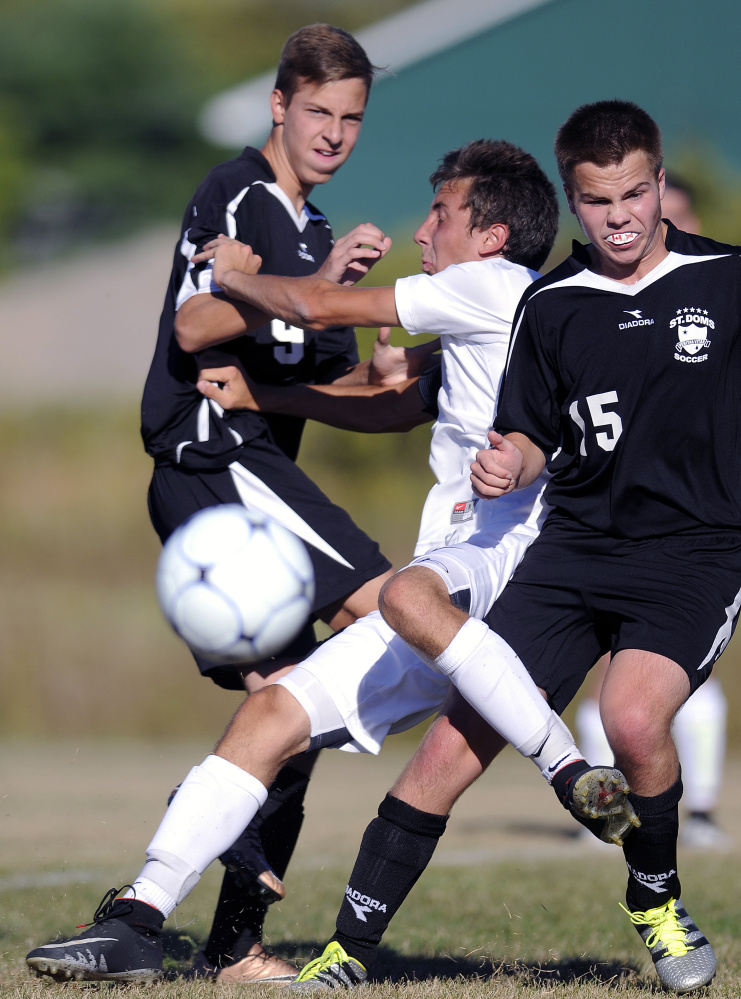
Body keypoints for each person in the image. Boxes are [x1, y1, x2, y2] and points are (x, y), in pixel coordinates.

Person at [25, 138, 634, 985]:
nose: (423, 232)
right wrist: (265, 395)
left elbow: (315, 306)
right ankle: (137, 918)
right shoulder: (502, 311)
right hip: (462, 573)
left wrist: (233, 274)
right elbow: (390, 405)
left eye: (442, 215)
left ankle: (568, 765)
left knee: (403, 603)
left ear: (491, 236)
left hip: (503, 570)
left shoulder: (487, 286)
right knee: (272, 710)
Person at [353, 100, 737, 994]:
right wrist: (505, 462)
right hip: (570, 551)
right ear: (571, 196)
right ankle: (346, 950)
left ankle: (655, 899)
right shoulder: (552, 303)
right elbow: (527, 434)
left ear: (658, 179)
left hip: (694, 552)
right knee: (453, 743)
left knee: (633, 719)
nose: (621, 217)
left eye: (635, 194)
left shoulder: (725, 279)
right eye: (598, 201)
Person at [136, 23, 439, 984]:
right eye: (317, 111)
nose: (334, 134)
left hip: (255, 469)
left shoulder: (312, 236)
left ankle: (231, 946)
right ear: (278, 104)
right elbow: (195, 323)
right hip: (215, 461)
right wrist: (307, 289)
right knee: (398, 611)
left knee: (288, 714)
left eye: (351, 118)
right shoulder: (241, 196)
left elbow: (336, 394)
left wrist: (395, 369)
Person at [575, 174, 730, 852]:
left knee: (683, 673)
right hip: (605, 519)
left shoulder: (720, 293)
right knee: (603, 676)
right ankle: (604, 810)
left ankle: (694, 811)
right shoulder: (600, 304)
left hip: (699, 526)